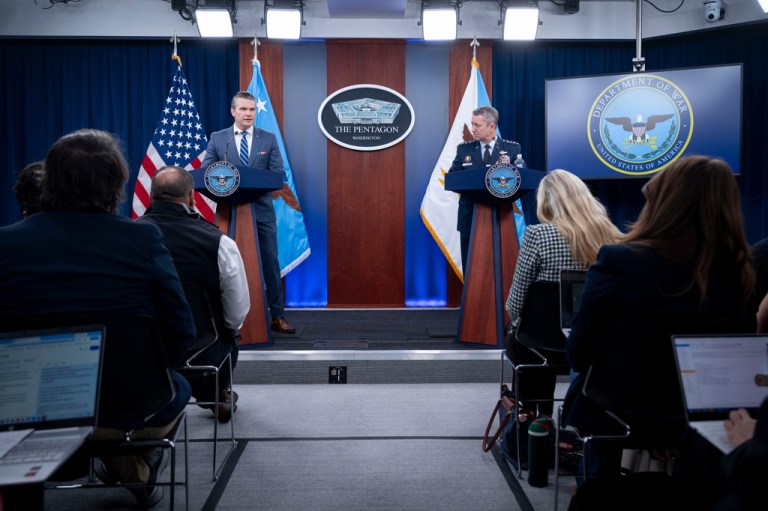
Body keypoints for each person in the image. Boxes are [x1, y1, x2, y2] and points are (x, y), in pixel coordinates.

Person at [0, 129, 196, 509]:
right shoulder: (143, 240)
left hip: (23, 412)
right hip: (129, 403)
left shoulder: (5, 246)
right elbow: (181, 333)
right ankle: (129, 463)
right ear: (118, 184)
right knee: (178, 386)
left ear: (49, 181)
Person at [564, 155, 758, 477]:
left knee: (592, 394)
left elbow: (578, 354)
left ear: (662, 204)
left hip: (623, 412)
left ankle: (598, 491)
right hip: (708, 416)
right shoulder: (742, 275)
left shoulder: (618, 262)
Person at [504, 169, 622, 418]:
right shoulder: (613, 236)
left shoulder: (538, 235)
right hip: (598, 343)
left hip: (541, 345)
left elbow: (515, 305)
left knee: (522, 337)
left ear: (546, 202)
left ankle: (536, 420)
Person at [138, 165, 249, 422]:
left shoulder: (125, 240)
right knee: (230, 331)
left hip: (142, 350)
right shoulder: (220, 242)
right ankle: (217, 394)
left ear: (151, 195)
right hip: (203, 351)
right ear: (191, 197)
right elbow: (236, 313)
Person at [201, 90, 295, 334]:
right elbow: (206, 172)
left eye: (252, 109)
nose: (248, 113)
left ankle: (277, 315)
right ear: (233, 111)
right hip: (228, 212)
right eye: (243, 109)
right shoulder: (219, 138)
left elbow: (277, 176)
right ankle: (223, 317)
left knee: (271, 264)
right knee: (224, 265)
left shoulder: (268, 138)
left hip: (261, 212)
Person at [449, 105, 521, 276]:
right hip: (469, 213)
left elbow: (518, 180)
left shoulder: (512, 149)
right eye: (472, 124)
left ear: (491, 127)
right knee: (470, 262)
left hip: (500, 213)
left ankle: (504, 301)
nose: (472, 129)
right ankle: (470, 302)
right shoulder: (464, 149)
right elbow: (452, 178)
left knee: (501, 262)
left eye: (477, 125)